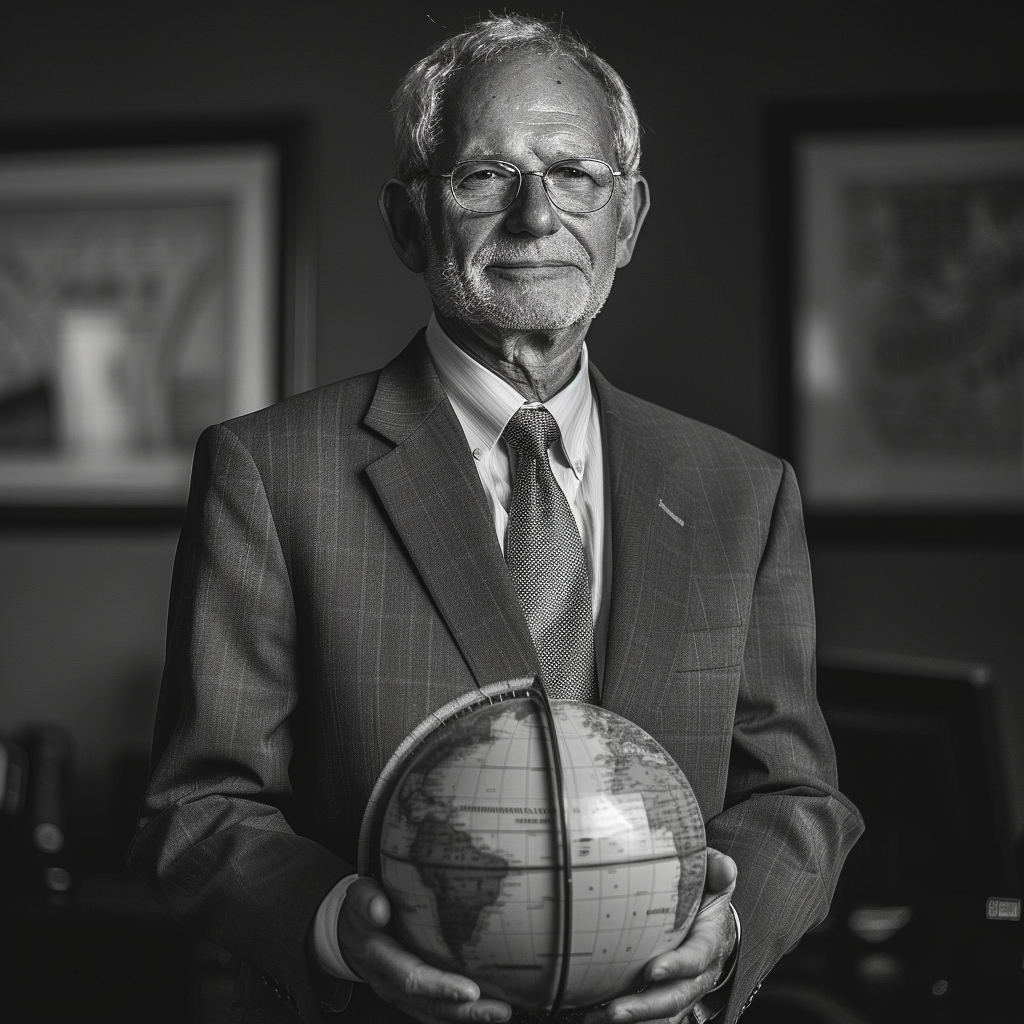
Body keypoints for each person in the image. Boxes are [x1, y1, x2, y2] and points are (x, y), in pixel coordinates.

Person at [130, 15, 862, 1024]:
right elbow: (195, 810)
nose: (535, 216)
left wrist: (725, 931)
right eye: (485, 175)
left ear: (630, 218)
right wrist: (339, 921)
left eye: (576, 175)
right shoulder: (271, 470)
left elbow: (797, 798)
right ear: (408, 220)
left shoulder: (740, 488)